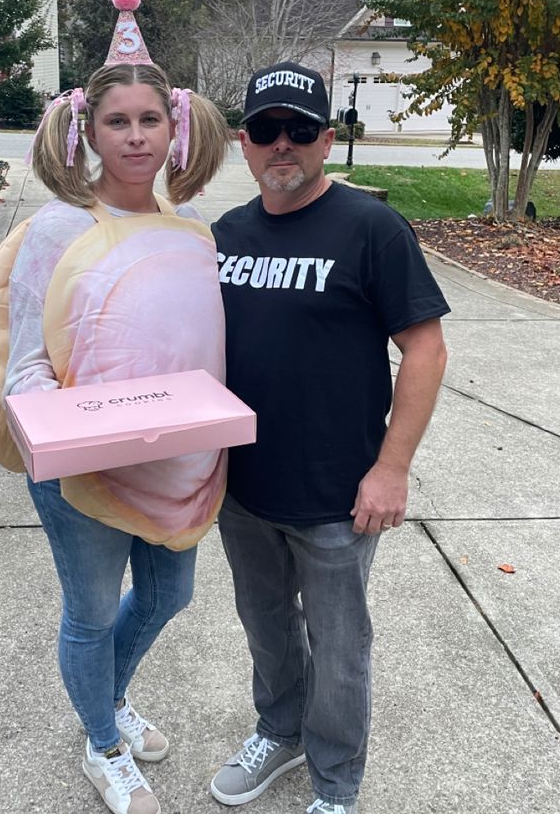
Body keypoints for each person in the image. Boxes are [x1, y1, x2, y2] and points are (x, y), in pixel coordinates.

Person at [0, 0, 230, 814]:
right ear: (86, 128)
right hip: (84, 469)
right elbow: (29, 368)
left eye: (150, 120)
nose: (136, 136)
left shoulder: (191, 229)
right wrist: (87, 430)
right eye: (118, 121)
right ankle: (104, 742)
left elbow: (195, 341)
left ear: (175, 124)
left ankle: (102, 703)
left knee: (170, 593)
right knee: (88, 610)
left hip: (176, 459)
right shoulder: (54, 230)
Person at [209, 61, 450, 814]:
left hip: (337, 493)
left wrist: (392, 467)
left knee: (340, 648)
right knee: (267, 624)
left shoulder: (371, 228)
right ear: (243, 143)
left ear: (328, 138)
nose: (284, 144)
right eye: (267, 130)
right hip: (242, 488)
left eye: (301, 129)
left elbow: (426, 347)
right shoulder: (224, 235)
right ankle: (280, 731)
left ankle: (336, 781)